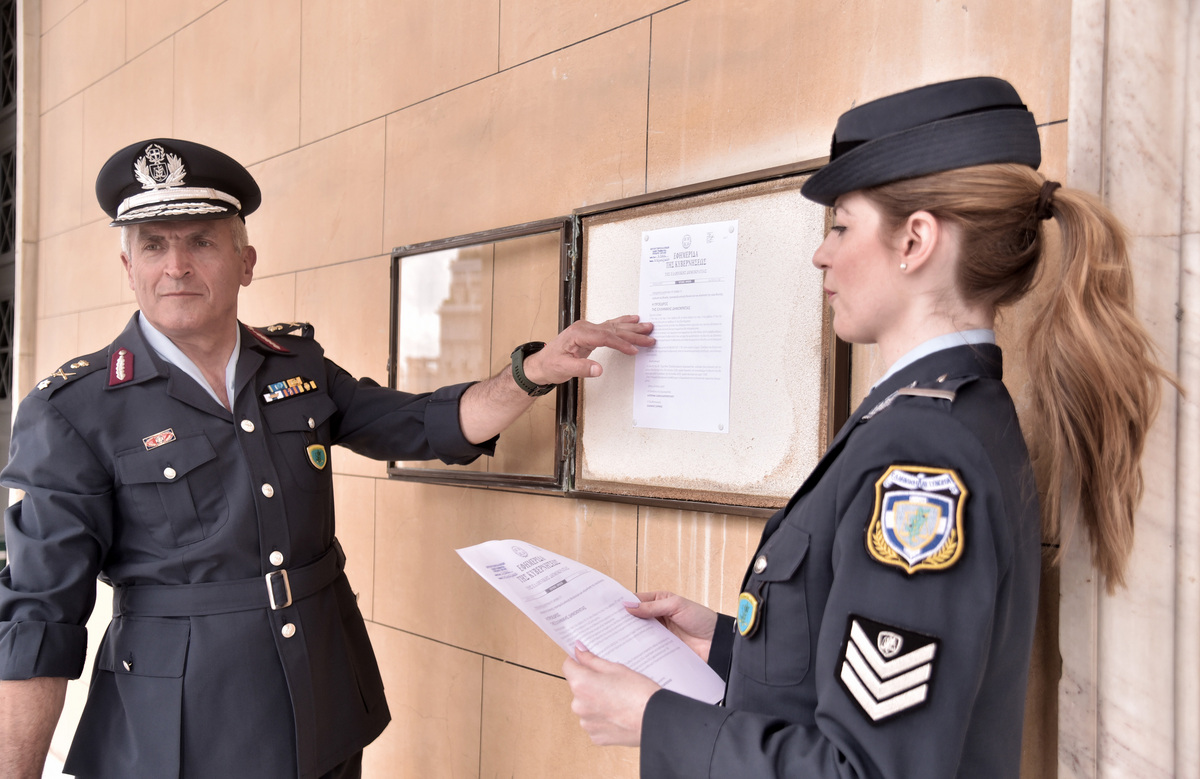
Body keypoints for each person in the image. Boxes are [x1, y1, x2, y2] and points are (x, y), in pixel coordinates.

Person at [562, 76, 1170, 777]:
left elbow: (870, 769)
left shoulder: (925, 457)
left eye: (843, 226)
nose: (822, 253)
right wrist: (730, 645)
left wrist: (653, 718)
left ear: (915, 240)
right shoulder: (938, 417)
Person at [0, 138, 655, 779]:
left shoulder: (299, 369)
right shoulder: (75, 409)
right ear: (129, 267)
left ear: (245, 259)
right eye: (154, 245)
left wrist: (533, 371)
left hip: (320, 702)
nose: (176, 266)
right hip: (181, 732)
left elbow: (421, 424)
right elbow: (36, 622)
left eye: (200, 240)